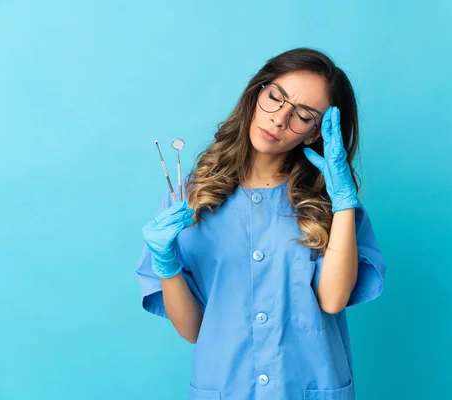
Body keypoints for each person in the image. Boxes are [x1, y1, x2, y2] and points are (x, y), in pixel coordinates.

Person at [135, 47, 386, 400]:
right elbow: (192, 330)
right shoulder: (188, 200)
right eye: (276, 98)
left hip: (307, 384)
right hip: (227, 386)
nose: (280, 119)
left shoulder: (330, 201)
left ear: (315, 133)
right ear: (257, 93)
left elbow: (332, 300)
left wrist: (344, 204)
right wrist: (166, 264)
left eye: (303, 115)